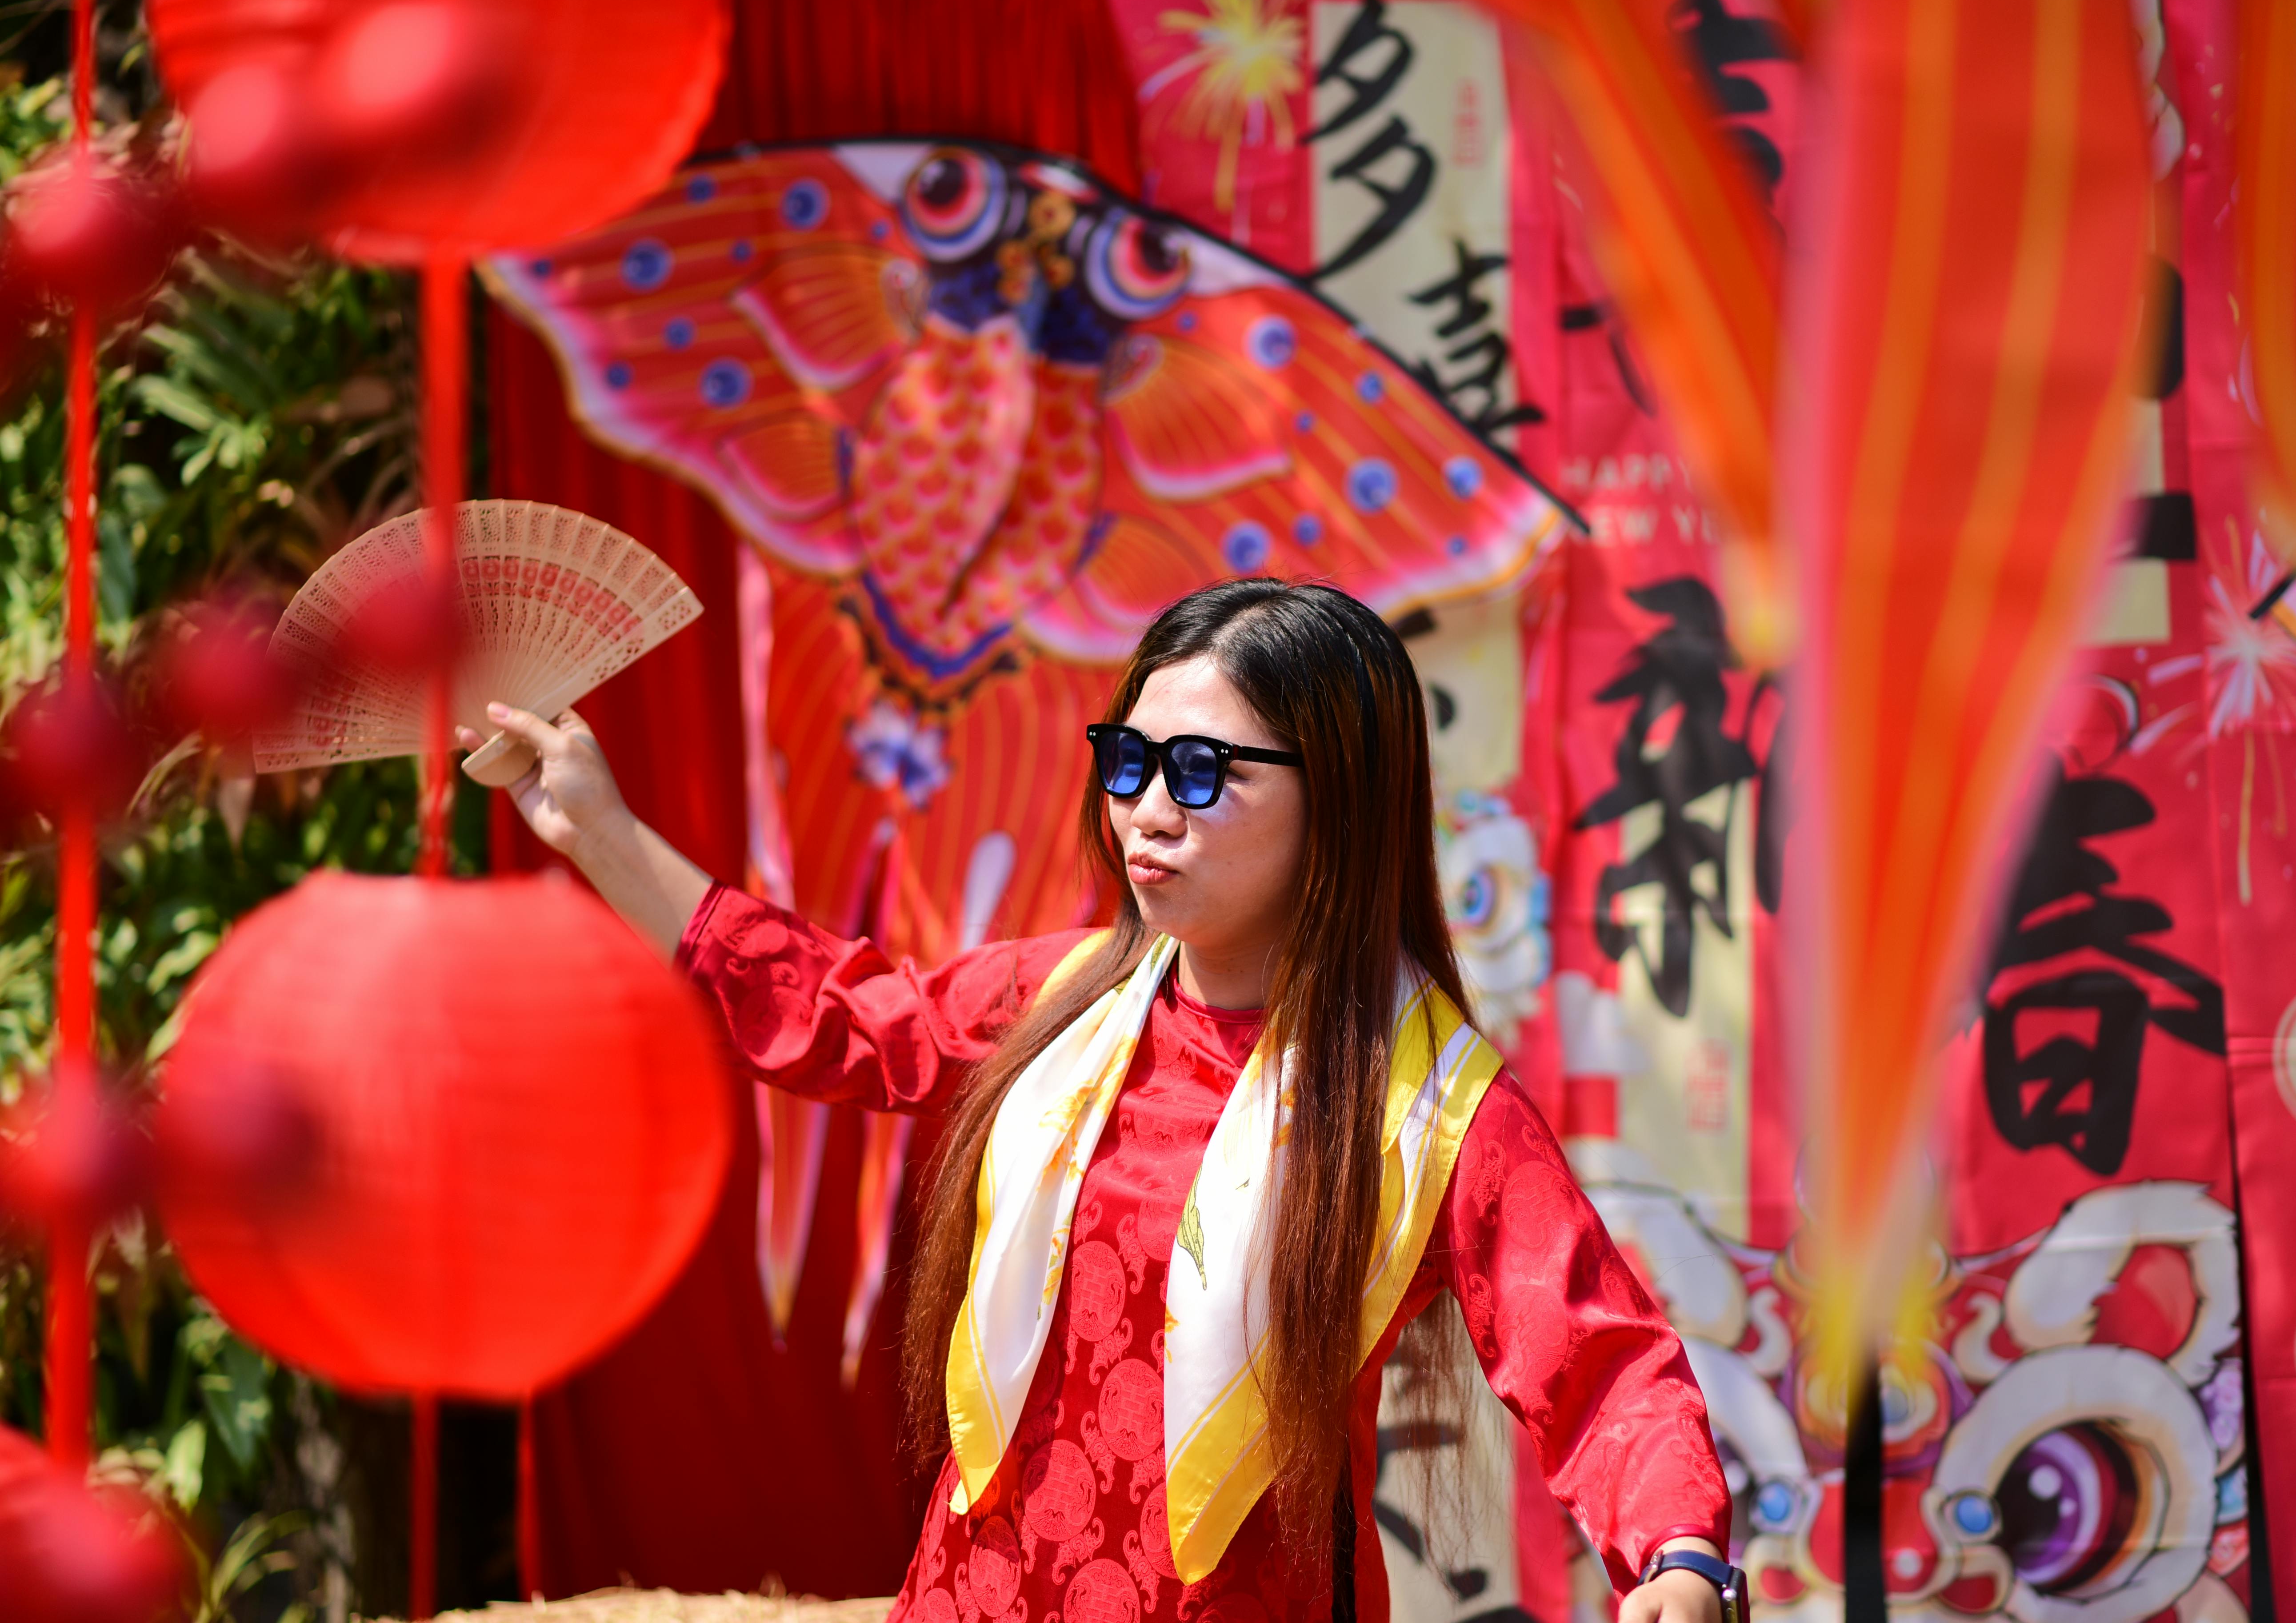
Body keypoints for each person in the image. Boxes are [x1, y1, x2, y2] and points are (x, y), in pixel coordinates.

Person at [467, 578, 1738, 1623]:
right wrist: (596, 830)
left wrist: (1681, 1559)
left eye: (1199, 772)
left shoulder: (1426, 1104)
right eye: (1130, 761)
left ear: (1340, 797)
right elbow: (838, 1015)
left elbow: (1603, 1360)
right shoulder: (1066, 1000)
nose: (1141, 810)